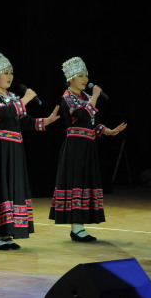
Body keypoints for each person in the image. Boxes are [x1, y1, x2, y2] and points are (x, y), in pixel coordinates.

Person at [0, 53, 60, 250]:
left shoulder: (12, 97)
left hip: (13, 149)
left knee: (10, 187)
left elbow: (24, 122)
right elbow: (4, 114)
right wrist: (25, 99)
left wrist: (46, 121)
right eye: (5, 73)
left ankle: (7, 231)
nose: (10, 77)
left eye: (11, 73)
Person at [49, 57, 126, 241]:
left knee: (85, 182)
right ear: (71, 79)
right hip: (75, 146)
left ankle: (79, 226)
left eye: (86, 75)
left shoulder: (85, 97)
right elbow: (82, 115)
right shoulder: (67, 97)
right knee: (77, 182)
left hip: (88, 146)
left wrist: (108, 131)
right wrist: (95, 97)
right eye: (81, 76)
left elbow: (93, 122)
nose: (85, 79)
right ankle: (76, 228)